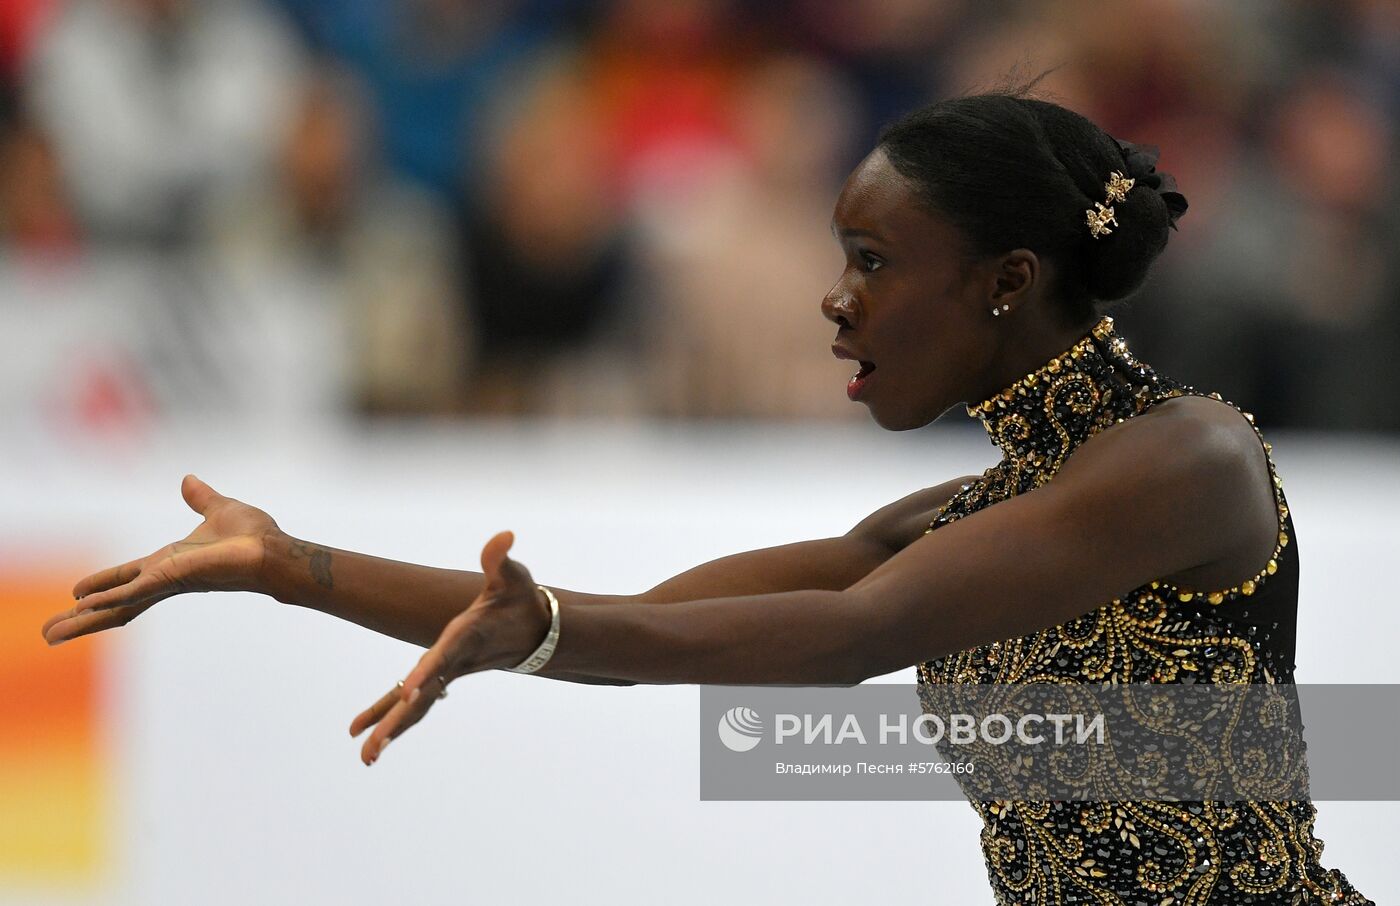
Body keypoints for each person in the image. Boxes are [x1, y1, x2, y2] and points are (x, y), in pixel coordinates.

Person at [40, 84, 1374, 904]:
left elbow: (851, 638)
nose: (836, 302)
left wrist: (551, 626)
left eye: (871, 260)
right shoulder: (954, 519)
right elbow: (617, 627)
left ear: (1007, 282)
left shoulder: (1186, 459)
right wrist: (292, 563)